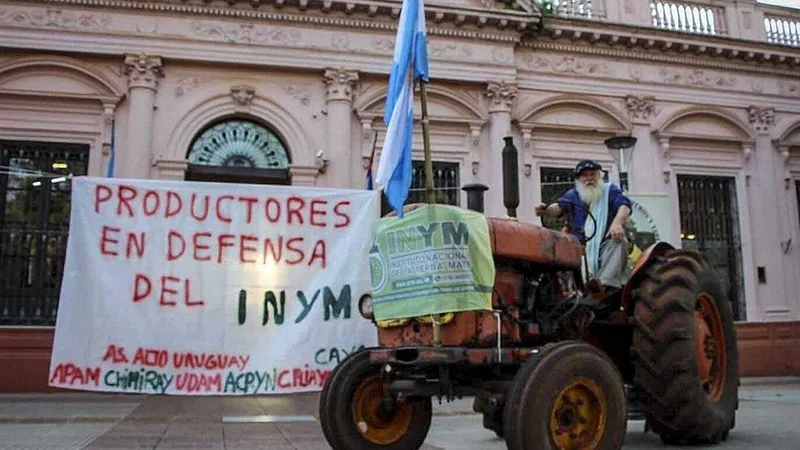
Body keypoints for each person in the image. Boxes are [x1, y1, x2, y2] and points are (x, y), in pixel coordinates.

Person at [535, 160, 632, 291]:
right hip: (578, 248)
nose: (589, 179)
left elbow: (624, 206)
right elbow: (558, 208)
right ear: (579, 179)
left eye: (592, 174)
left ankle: (603, 285)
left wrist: (617, 223)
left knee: (619, 242)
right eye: (585, 175)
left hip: (606, 245)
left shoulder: (610, 190)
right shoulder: (573, 195)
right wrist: (545, 210)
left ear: (599, 176)